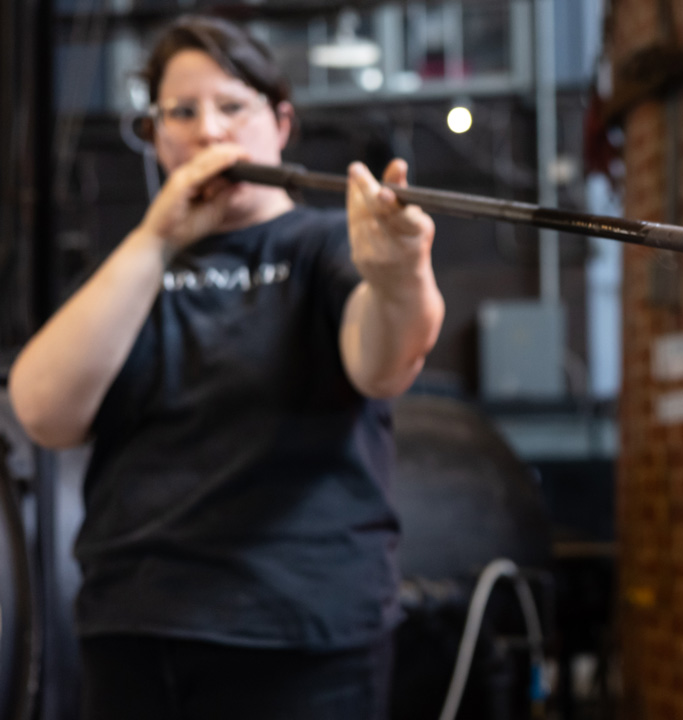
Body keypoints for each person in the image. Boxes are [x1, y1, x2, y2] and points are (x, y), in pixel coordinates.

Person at [7, 15, 445, 720]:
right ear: (154, 137)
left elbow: (385, 364)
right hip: (135, 629)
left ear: (280, 122)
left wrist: (399, 277)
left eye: (232, 107)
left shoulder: (328, 244)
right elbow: (42, 410)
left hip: (302, 632)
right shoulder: (131, 269)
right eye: (181, 113)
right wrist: (156, 238)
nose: (209, 132)